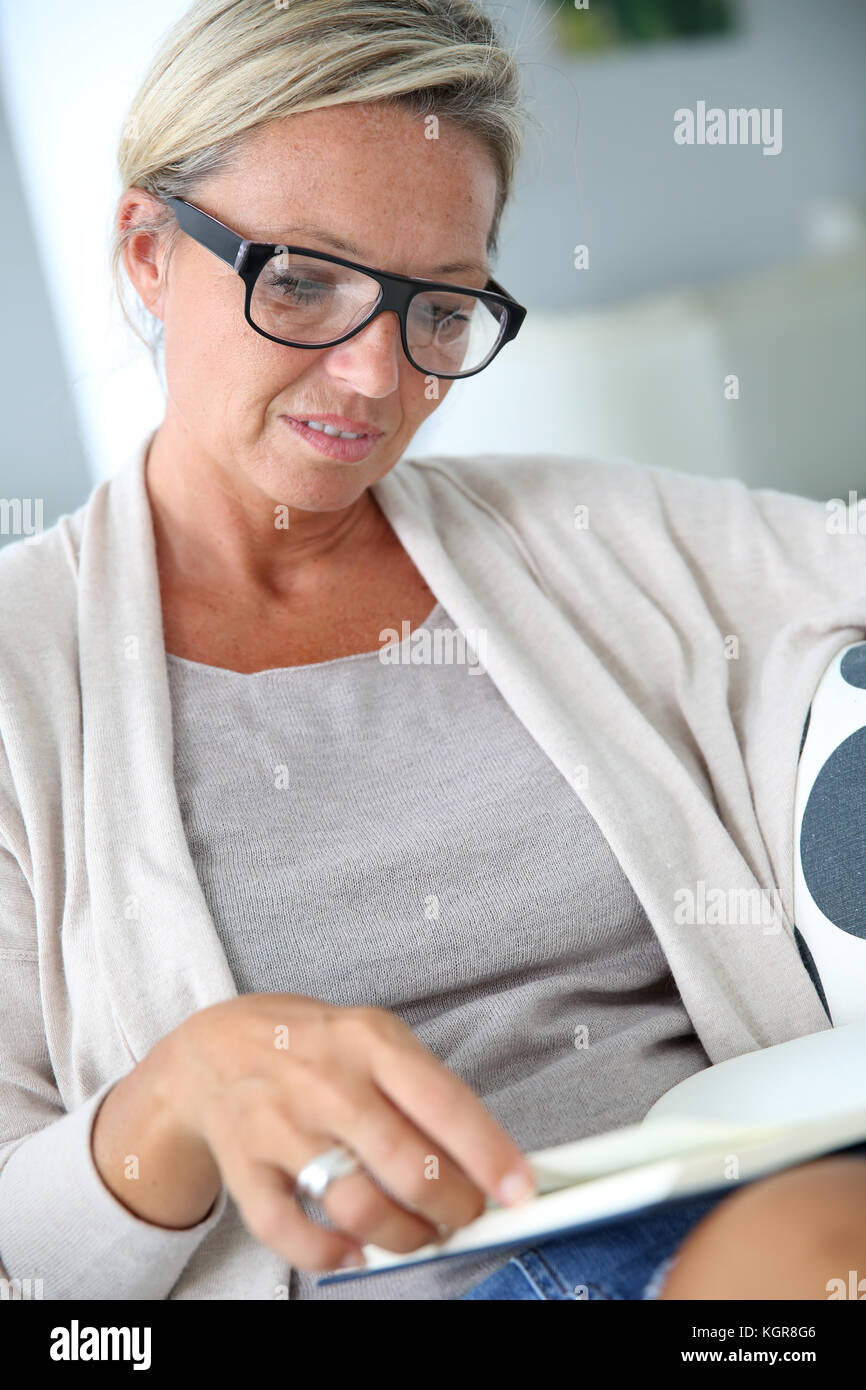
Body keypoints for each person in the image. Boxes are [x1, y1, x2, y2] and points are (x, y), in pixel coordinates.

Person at [1, 0, 865, 1302]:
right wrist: (178, 1090)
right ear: (145, 253)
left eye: (441, 311)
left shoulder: (573, 532)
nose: (371, 377)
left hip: (732, 1194)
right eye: (300, 280)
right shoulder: (24, 676)